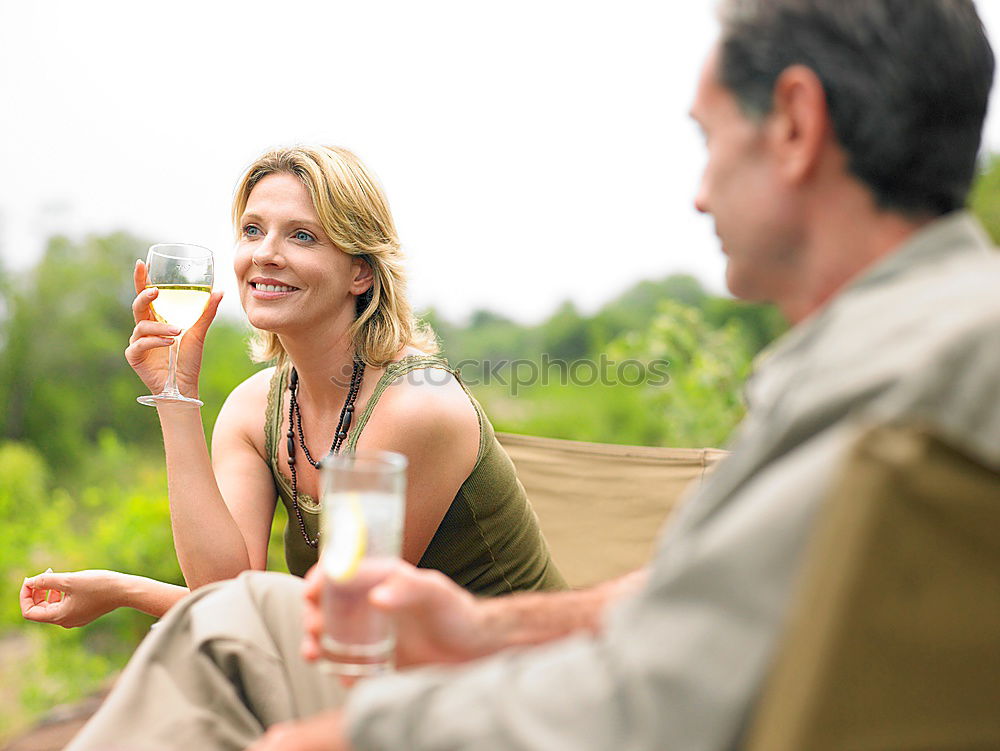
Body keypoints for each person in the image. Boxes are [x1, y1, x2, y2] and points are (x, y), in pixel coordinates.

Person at [63, 0, 1000, 749]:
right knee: (223, 634)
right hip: (471, 664)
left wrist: (364, 733)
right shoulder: (897, 358)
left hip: (482, 701)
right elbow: (704, 609)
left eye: (709, 137)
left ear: (794, 124)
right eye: (255, 231)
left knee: (218, 646)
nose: (699, 190)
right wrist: (487, 631)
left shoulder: (910, 389)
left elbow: (659, 693)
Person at [20, 145, 564, 629]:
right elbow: (225, 594)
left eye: (301, 236)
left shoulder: (417, 405)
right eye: (252, 230)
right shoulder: (255, 408)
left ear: (361, 273)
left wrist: (124, 590)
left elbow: (335, 619)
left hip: (514, 680)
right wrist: (175, 396)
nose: (264, 254)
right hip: (392, 674)